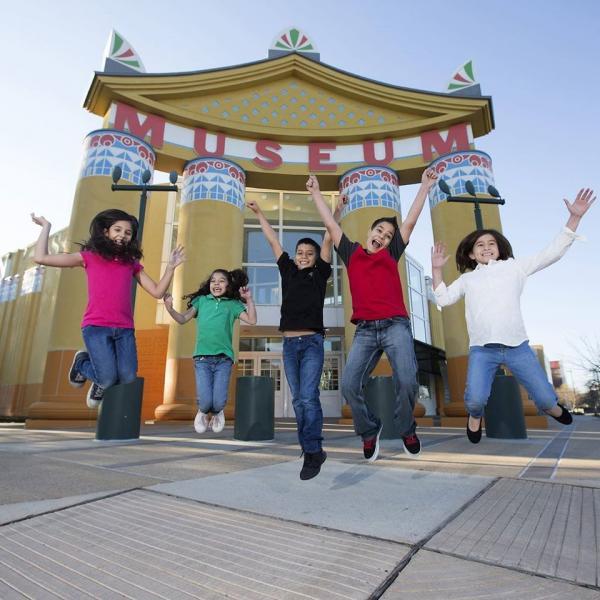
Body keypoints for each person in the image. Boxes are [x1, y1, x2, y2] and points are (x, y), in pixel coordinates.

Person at [431, 187, 595, 443]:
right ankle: (475, 416)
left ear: (500, 249)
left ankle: (553, 407)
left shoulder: (514, 268)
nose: (486, 247)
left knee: (543, 398)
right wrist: (437, 270)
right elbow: (443, 298)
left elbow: (551, 253)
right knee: (474, 399)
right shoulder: (468, 279)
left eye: (491, 243)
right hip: (482, 350)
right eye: (480, 245)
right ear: (472, 254)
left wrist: (574, 218)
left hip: (517, 347)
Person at [307, 169, 438, 461]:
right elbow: (330, 224)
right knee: (350, 386)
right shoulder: (352, 253)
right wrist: (316, 193)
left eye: (388, 235)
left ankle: (406, 428)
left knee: (406, 380)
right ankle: (369, 431)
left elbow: (412, 220)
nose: (383, 236)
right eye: (379, 231)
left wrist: (426, 186)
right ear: (369, 233)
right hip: (365, 330)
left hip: (395, 326)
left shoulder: (390, 254)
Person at [32, 209, 185, 407]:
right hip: (96, 327)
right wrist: (46, 227)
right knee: (107, 378)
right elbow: (41, 258)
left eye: (128, 233)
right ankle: (81, 364)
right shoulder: (88, 257)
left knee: (128, 377)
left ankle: (98, 376)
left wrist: (171, 268)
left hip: (124, 328)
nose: (122, 235)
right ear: (106, 232)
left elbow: (156, 291)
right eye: (117, 230)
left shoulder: (131, 264)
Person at [246, 195, 344, 480]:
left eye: (308, 253)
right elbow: (273, 241)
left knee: (307, 397)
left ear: (315, 258)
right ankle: (311, 449)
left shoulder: (320, 273)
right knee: (300, 401)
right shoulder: (288, 270)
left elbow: (328, 238)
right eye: (300, 251)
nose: (303, 255)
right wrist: (259, 213)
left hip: (312, 342)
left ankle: (312, 451)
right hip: (289, 344)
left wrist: (336, 210)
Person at [163, 269, 256, 434]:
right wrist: (170, 309)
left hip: (224, 359)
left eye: (221, 281)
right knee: (205, 402)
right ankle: (203, 413)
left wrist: (249, 300)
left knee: (219, 402)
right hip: (202, 359)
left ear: (228, 285)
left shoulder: (233, 305)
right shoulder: (201, 301)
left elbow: (252, 320)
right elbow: (183, 319)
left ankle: (218, 413)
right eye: (213, 281)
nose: (216, 284)